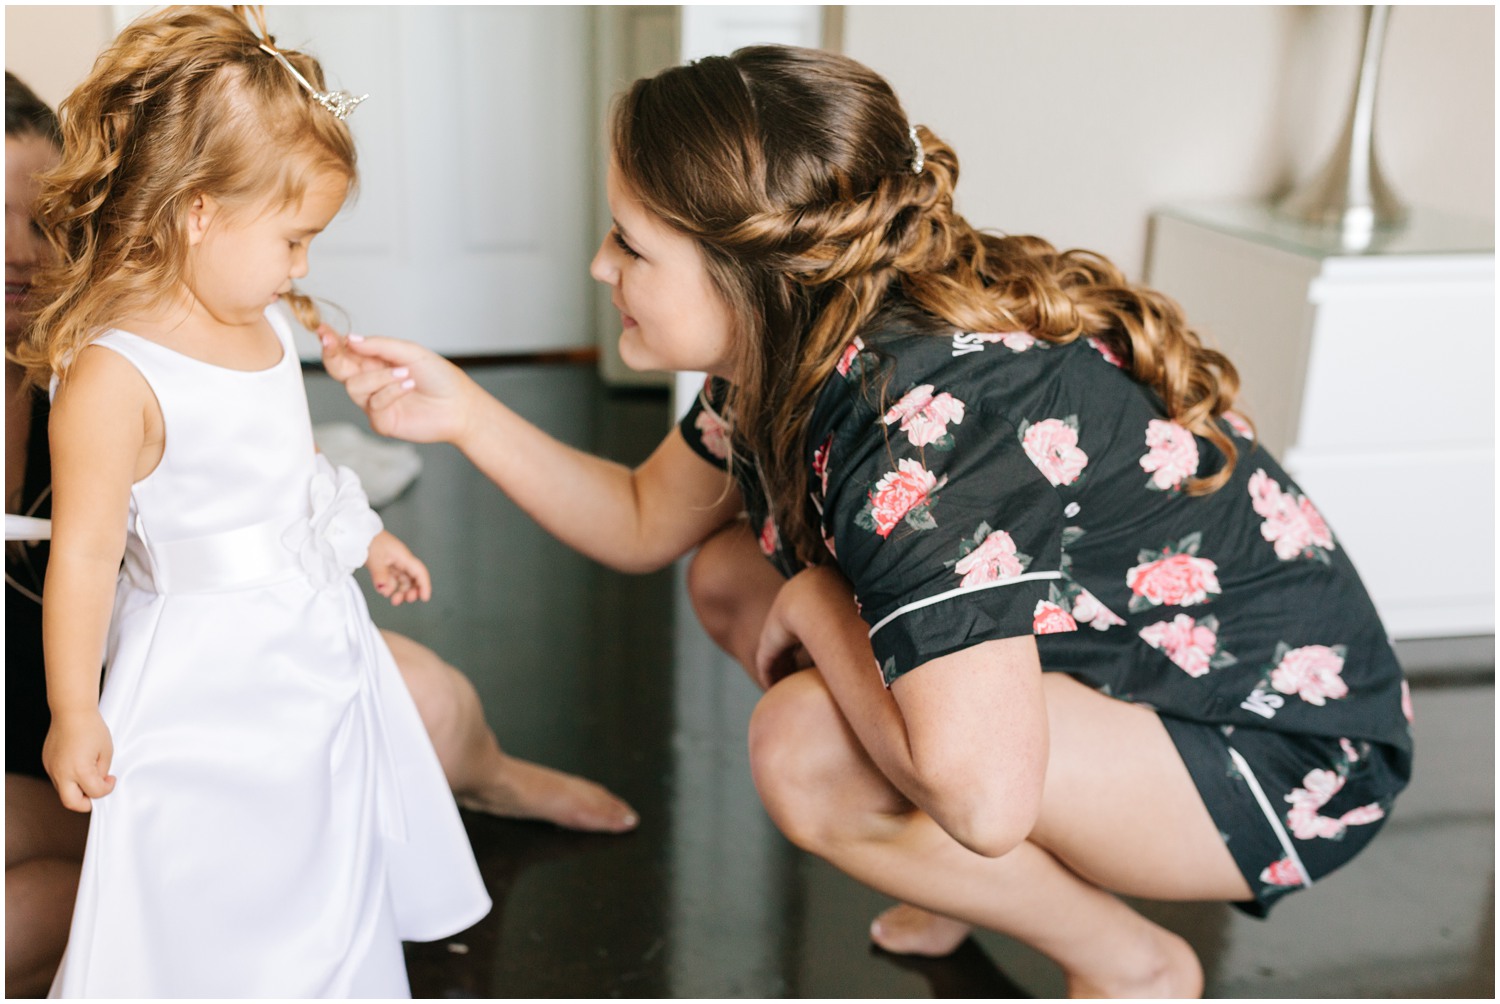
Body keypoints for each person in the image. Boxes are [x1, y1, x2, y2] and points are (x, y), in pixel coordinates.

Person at [322, 46, 1413, 998]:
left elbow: (986, 801)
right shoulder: (798, 341)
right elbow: (646, 517)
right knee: (724, 574)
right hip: (1117, 679)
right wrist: (461, 412)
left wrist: (818, 595)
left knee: (806, 748)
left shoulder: (917, 431)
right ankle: (984, 881)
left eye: (632, 245)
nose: (602, 264)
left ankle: (1132, 962)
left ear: (755, 276)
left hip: (1281, 754)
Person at [3, 65, 633, 998]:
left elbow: (293, 474)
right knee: (182, 857)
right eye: (295, 239)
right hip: (171, 677)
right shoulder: (113, 378)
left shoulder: (247, 336)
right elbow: (90, 557)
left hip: (288, 641)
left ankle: (465, 796)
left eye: (46, 222)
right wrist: (75, 710)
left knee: (359, 769)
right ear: (198, 212)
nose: (27, 255)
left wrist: (362, 536)